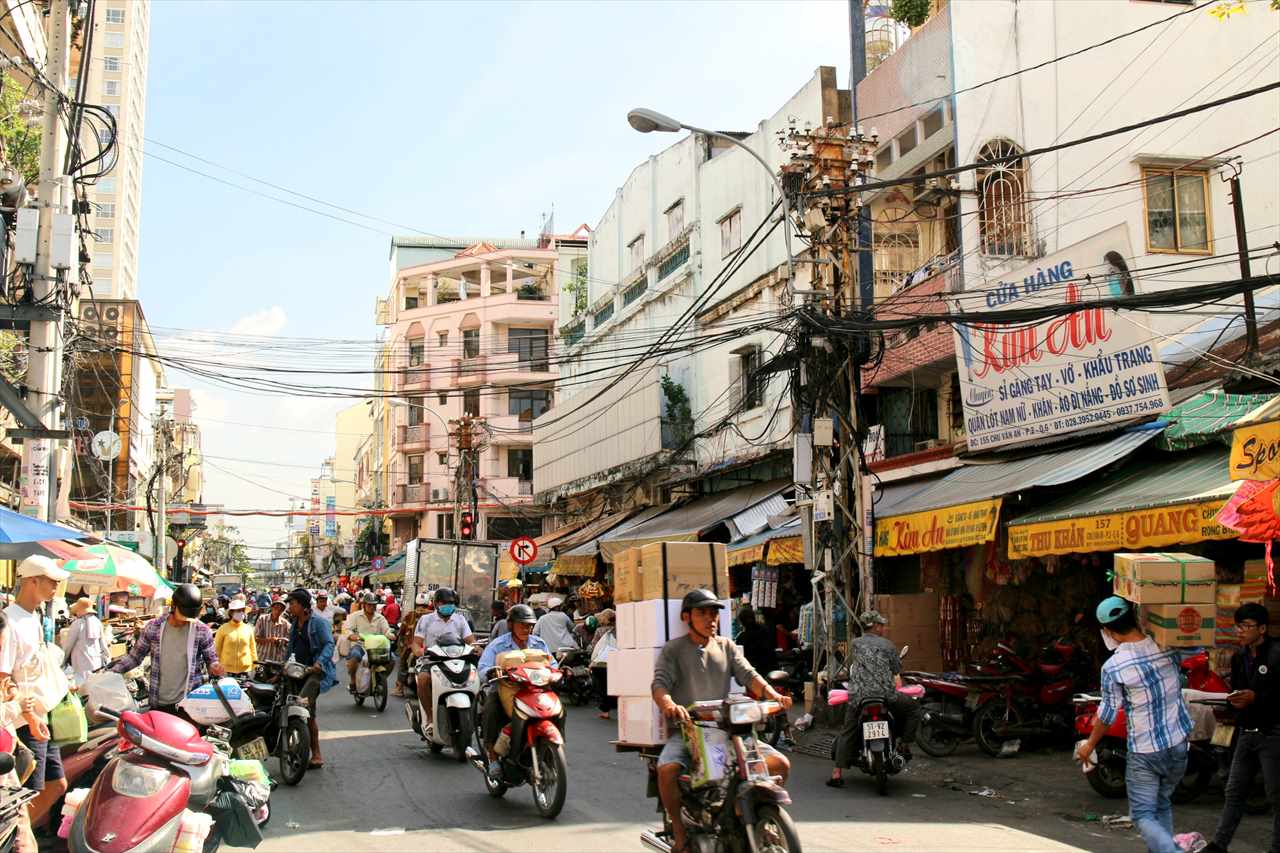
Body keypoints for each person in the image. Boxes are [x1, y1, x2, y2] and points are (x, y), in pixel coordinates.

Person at [651, 589, 792, 853]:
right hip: (688, 731)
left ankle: (745, 813)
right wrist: (670, 705)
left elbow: (749, 676)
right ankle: (680, 834)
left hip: (729, 729)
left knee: (780, 764)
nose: (710, 618)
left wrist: (773, 695)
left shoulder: (726, 646)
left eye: (714, 612)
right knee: (667, 769)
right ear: (686, 617)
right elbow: (659, 685)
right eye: (702, 613)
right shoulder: (674, 650)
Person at [1075, 596, 1191, 853]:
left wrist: (1089, 744)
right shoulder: (1167, 646)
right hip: (1179, 745)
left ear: (1109, 631)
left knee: (1142, 814)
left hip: (1146, 750)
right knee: (1161, 804)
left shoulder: (1114, 666)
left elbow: (1106, 714)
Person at [0, 557, 73, 827]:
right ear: (33, 581)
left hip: (41, 714)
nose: (56, 586)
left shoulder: (34, 617)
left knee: (55, 784)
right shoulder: (10, 622)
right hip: (23, 721)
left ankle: (16, 836)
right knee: (26, 792)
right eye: (52, 581)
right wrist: (29, 715)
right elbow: (3, 678)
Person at [1203, 602, 1280, 853]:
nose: (1240, 631)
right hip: (1246, 733)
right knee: (1234, 792)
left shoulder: (1277, 653)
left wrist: (1256, 698)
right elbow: (1237, 691)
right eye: (1238, 626)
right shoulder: (1239, 658)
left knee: (1275, 797)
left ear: (1263, 628)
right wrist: (1233, 703)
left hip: (1273, 734)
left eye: (1246, 626)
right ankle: (1218, 845)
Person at [828, 611, 920, 786]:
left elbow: (852, 667)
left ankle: (836, 773)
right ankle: (905, 745)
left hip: (859, 696)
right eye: (881, 625)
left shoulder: (855, 644)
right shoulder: (888, 645)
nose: (883, 628)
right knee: (914, 709)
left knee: (848, 730)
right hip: (886, 695)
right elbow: (896, 669)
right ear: (875, 626)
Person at [111, 582, 225, 716]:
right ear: (173, 607)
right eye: (184, 615)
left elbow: (211, 659)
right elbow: (135, 657)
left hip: (190, 704)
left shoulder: (201, 630)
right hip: (159, 703)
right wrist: (111, 673)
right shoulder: (154, 627)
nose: (186, 621)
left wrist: (215, 667)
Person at [477, 603, 554, 777]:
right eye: (522, 624)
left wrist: (562, 672)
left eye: (529, 625)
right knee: (491, 707)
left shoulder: (539, 644)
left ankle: (552, 746)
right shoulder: (498, 645)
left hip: (535, 692)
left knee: (557, 709)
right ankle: (493, 756)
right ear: (511, 624)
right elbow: (482, 668)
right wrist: (490, 672)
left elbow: (553, 664)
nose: (526, 629)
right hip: (504, 690)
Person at [285, 588, 335, 769]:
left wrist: (320, 663)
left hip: (313, 674)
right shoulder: (294, 624)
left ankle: (317, 754)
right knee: (285, 706)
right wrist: (284, 666)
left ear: (303, 605)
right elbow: (290, 648)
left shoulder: (318, 623)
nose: (290, 606)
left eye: (293, 603)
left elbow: (329, 644)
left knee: (306, 709)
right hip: (295, 672)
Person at [413, 588, 475, 732]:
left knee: (475, 677)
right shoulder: (426, 620)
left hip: (457, 660)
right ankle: (430, 717)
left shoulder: (460, 619)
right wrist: (420, 651)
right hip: (432, 660)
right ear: (436, 604)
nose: (448, 605)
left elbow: (470, 640)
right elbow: (416, 643)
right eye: (444, 602)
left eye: (451, 603)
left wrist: (476, 648)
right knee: (423, 679)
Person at [344, 591, 394, 693]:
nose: (372, 607)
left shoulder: (380, 618)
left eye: (374, 605)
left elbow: (386, 630)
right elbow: (347, 629)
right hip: (360, 645)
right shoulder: (355, 616)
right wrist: (352, 636)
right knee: (354, 657)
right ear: (364, 605)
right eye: (369, 605)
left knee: (392, 659)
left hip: (377, 647)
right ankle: (353, 682)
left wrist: (391, 635)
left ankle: (380, 680)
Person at [59, 596, 112, 688]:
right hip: (96, 663)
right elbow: (103, 644)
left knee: (83, 690)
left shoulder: (78, 624)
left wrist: (62, 662)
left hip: (82, 664)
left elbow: (68, 646)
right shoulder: (97, 622)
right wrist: (108, 659)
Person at [393, 592, 432, 697]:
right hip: (429, 647)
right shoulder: (433, 615)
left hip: (411, 647)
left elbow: (402, 631)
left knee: (402, 662)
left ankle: (399, 688)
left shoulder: (410, 615)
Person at [586, 608, 617, 720]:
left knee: (603, 687)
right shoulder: (619, 629)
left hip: (602, 663)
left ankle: (605, 711)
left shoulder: (600, 630)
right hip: (617, 660)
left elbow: (594, 646)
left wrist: (591, 658)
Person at [213, 599, 257, 676]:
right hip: (226, 670)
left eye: (242, 610)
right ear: (231, 613)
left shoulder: (248, 628)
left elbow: (252, 648)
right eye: (238, 611)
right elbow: (217, 649)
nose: (240, 613)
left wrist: (255, 663)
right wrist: (217, 666)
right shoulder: (223, 628)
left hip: (245, 669)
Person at [736, 606, 778, 675]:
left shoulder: (742, 638)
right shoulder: (765, 630)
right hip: (771, 669)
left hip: (755, 673)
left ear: (742, 622)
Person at [255, 597, 291, 665]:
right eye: (276, 608)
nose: (277, 611)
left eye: (281, 609)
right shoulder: (262, 619)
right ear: (272, 608)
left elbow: (289, 642)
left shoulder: (286, 624)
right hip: (262, 658)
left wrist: (282, 642)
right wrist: (270, 640)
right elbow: (256, 639)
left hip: (277, 660)